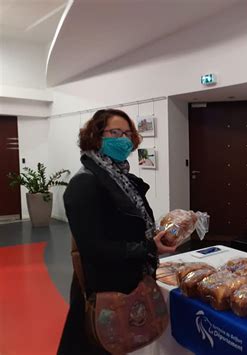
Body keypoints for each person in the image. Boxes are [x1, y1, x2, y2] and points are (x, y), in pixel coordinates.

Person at [58, 109, 175, 355]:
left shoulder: (123, 178)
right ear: (96, 136)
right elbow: (95, 249)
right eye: (114, 132)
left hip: (129, 281)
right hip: (105, 289)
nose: (123, 138)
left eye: (127, 133)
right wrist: (148, 248)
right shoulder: (85, 183)